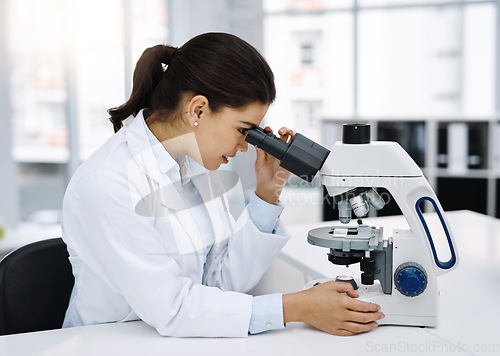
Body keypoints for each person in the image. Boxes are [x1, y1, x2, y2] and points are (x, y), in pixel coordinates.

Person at [61, 32, 384, 337]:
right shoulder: (107, 183)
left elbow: (219, 283)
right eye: (244, 129)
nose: (246, 146)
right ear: (198, 109)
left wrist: (267, 192)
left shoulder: (193, 164)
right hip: (107, 344)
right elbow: (172, 308)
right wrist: (296, 307)